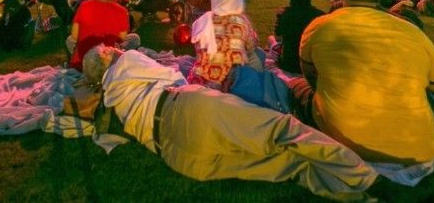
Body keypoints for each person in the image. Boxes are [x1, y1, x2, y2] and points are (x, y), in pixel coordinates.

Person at [83, 45, 377, 199]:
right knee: (281, 131)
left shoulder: (113, 99)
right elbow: (172, 77)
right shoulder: (127, 61)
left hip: (179, 157)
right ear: (109, 54)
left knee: (291, 167)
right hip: (188, 111)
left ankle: (357, 195)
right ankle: (370, 181)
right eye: (111, 47)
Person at [295, 0, 434, 164]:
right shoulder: (411, 31)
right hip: (417, 150)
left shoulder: (320, 26)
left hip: (346, 137)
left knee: (297, 87)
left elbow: (310, 74)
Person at [188, 0, 260, 89]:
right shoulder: (242, 21)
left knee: (185, 61)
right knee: (258, 55)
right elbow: (252, 44)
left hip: (200, 84)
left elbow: (198, 51)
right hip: (231, 85)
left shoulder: (203, 21)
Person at [66, 0, 139, 70]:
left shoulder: (84, 6)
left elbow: (74, 36)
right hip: (108, 60)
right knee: (134, 38)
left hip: (84, 58)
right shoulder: (121, 11)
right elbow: (121, 37)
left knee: (69, 40)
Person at [273, 0, 324, 74]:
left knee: (270, 40)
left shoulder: (284, 14)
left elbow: (277, 38)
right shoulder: (321, 16)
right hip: (313, 66)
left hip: (289, 64)